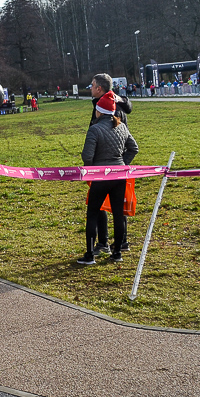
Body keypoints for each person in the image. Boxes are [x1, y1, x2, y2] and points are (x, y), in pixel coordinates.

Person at [78, 90, 139, 266]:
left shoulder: (94, 129)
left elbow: (87, 156)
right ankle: (117, 252)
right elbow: (134, 148)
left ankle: (90, 255)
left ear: (99, 112)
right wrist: (122, 163)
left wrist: (92, 170)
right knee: (118, 215)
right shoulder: (122, 127)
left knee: (93, 214)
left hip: (100, 177)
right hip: (119, 175)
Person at [89, 74, 133, 252]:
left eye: (92, 86)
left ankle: (103, 242)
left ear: (99, 88)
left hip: (105, 163)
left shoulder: (108, 108)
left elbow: (95, 135)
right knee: (117, 205)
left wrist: (91, 165)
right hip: (119, 163)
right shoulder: (117, 103)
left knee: (100, 205)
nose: (90, 88)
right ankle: (121, 243)